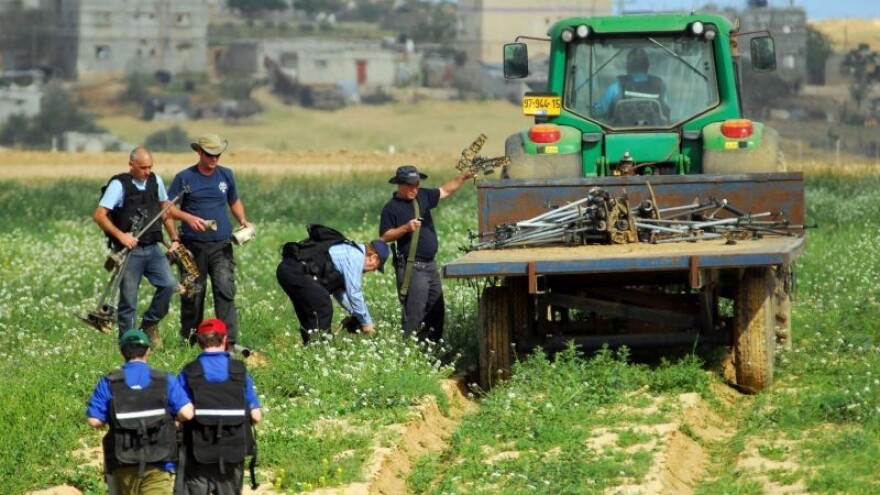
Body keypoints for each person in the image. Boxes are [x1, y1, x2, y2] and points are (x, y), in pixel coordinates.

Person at [168, 134, 252, 349]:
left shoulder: (226, 175)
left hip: (221, 245)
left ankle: (229, 342)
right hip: (193, 246)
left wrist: (242, 220)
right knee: (193, 294)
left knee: (224, 290)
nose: (214, 158)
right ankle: (190, 340)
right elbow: (168, 209)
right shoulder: (184, 177)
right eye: (209, 154)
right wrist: (188, 218)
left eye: (218, 154)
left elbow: (234, 201)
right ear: (199, 152)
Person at [86, 329, 194, 495]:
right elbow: (187, 413)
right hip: (159, 462)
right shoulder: (164, 380)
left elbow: (94, 420)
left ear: (122, 352)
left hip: (123, 463)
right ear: (148, 352)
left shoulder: (110, 382)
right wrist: (174, 419)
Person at [93, 147, 180, 343]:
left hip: (153, 248)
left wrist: (174, 238)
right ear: (131, 165)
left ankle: (149, 324)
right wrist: (121, 236)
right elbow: (99, 215)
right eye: (143, 168)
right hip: (129, 252)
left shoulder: (155, 181)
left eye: (150, 167)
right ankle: (129, 344)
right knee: (128, 302)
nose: (147, 171)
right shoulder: (118, 185)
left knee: (169, 285)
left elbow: (164, 210)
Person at [379, 165, 475, 341]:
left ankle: (434, 350)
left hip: (431, 267)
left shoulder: (422, 196)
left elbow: (445, 190)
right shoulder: (391, 208)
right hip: (413, 269)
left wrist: (463, 177)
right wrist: (406, 228)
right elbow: (385, 236)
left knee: (436, 311)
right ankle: (409, 349)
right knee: (415, 315)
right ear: (399, 184)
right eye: (410, 185)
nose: (414, 189)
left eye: (416, 184)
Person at [177, 318, 262, 495]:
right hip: (233, 450)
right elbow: (256, 416)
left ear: (199, 342)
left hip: (197, 452)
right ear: (224, 340)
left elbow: (181, 414)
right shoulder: (239, 371)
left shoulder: (189, 371)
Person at [276, 232, 390, 344]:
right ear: (373, 258)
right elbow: (354, 293)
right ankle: (319, 348)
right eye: (375, 268)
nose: (372, 271)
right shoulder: (356, 256)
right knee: (323, 305)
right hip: (297, 271)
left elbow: (340, 292)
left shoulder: (348, 250)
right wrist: (367, 324)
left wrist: (355, 313)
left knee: (309, 310)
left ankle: (311, 346)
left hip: (286, 270)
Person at [593, 47, 670, 121]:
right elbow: (667, 110)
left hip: (619, 132)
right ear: (647, 66)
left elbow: (599, 111)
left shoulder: (616, 86)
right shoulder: (660, 85)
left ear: (628, 66)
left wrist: (593, 107)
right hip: (656, 132)